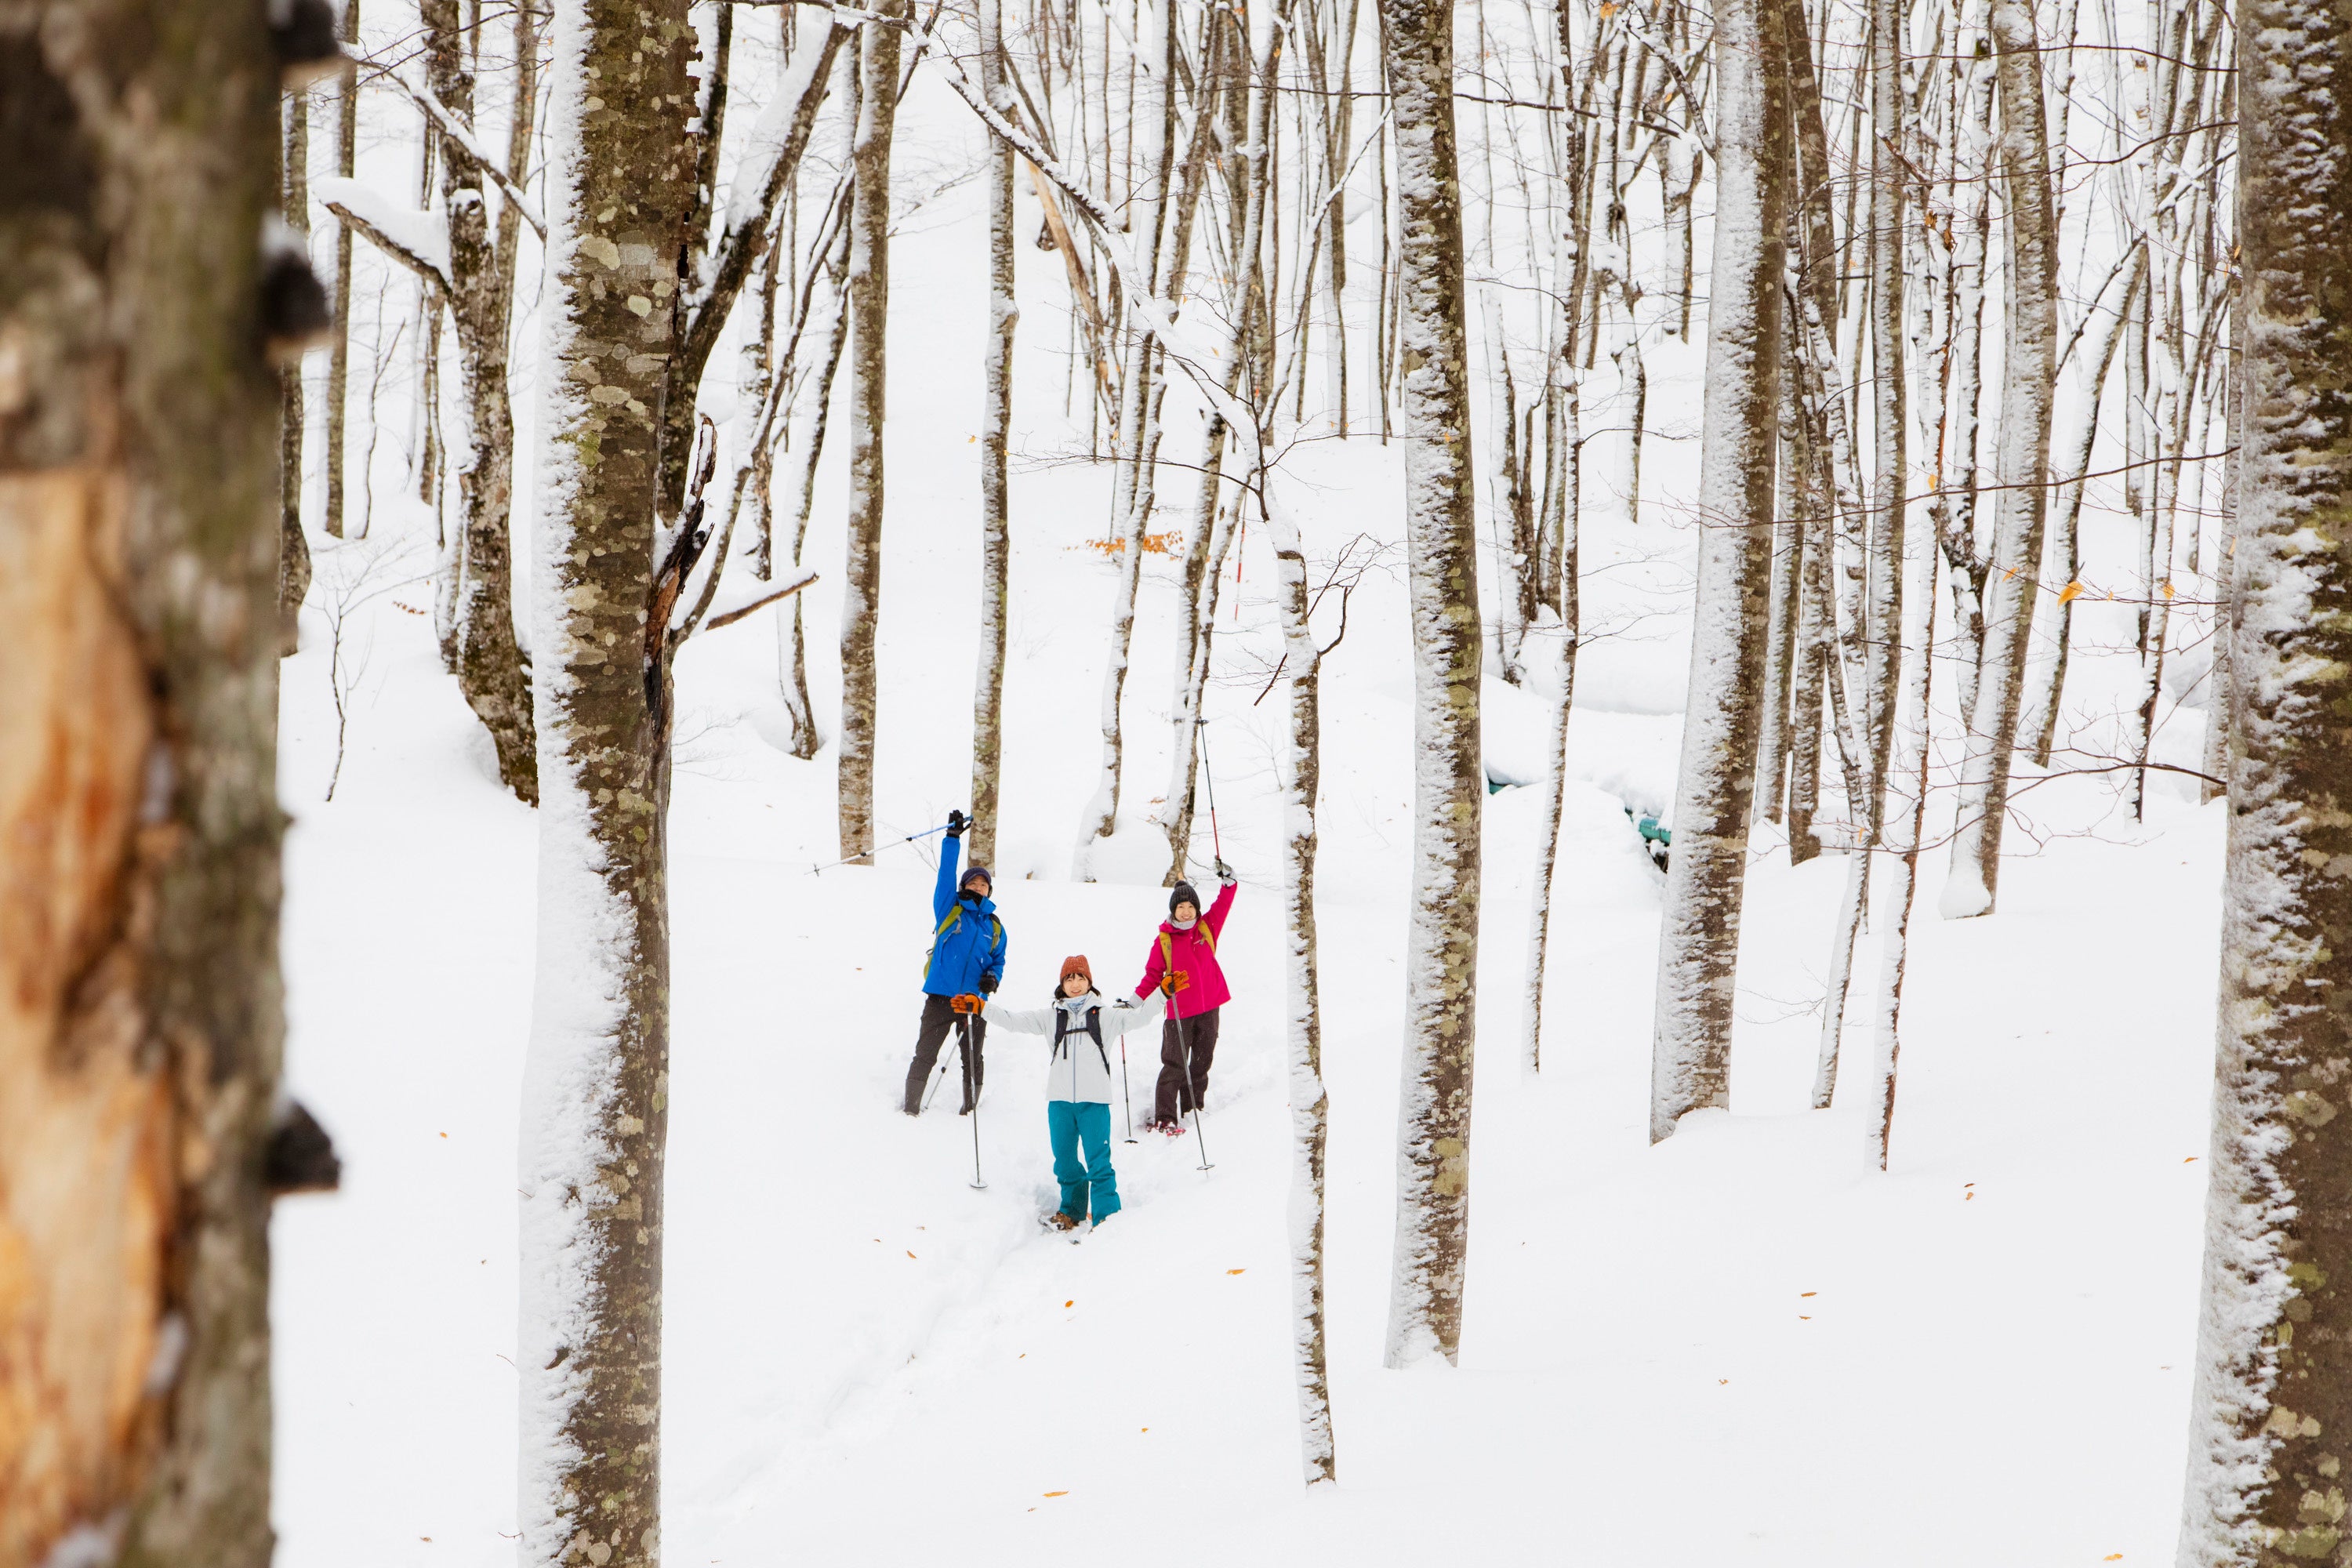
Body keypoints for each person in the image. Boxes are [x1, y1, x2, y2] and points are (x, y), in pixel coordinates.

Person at [984, 956, 1165, 1232]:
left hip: (1094, 1103)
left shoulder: (1106, 1016)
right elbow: (1013, 1021)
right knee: (1065, 1162)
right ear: (1062, 985)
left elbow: (1140, 1017)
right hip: (1060, 1103)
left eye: (1081, 978)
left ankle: (1107, 1219)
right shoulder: (1051, 1017)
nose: (1076, 983)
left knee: (1099, 1164)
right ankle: (1072, 1212)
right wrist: (981, 1007)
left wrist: (1162, 993)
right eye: (1070, 978)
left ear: (1089, 982)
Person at [902, 811, 1007, 1116]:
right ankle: (910, 1108)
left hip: (974, 1001)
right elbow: (945, 877)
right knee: (926, 1054)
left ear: (990, 890)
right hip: (940, 996)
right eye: (973, 883)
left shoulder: (995, 926)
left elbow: (998, 961)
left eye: (983, 884)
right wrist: (952, 839)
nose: (978, 887)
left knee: (973, 1059)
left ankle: (970, 1110)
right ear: (964, 887)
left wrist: (992, 979)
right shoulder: (949, 909)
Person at [1134, 862, 1237, 1133]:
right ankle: (1165, 1118)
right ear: (1173, 910)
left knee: (1202, 1062)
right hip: (1179, 1012)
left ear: (1196, 909)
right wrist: (1135, 1001)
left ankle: (1193, 1109)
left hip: (1210, 1007)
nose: (1186, 911)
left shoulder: (1206, 928)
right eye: (1181, 907)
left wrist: (1229, 884)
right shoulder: (1165, 940)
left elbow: (1223, 905)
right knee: (1174, 1066)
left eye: (1190, 906)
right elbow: (1153, 975)